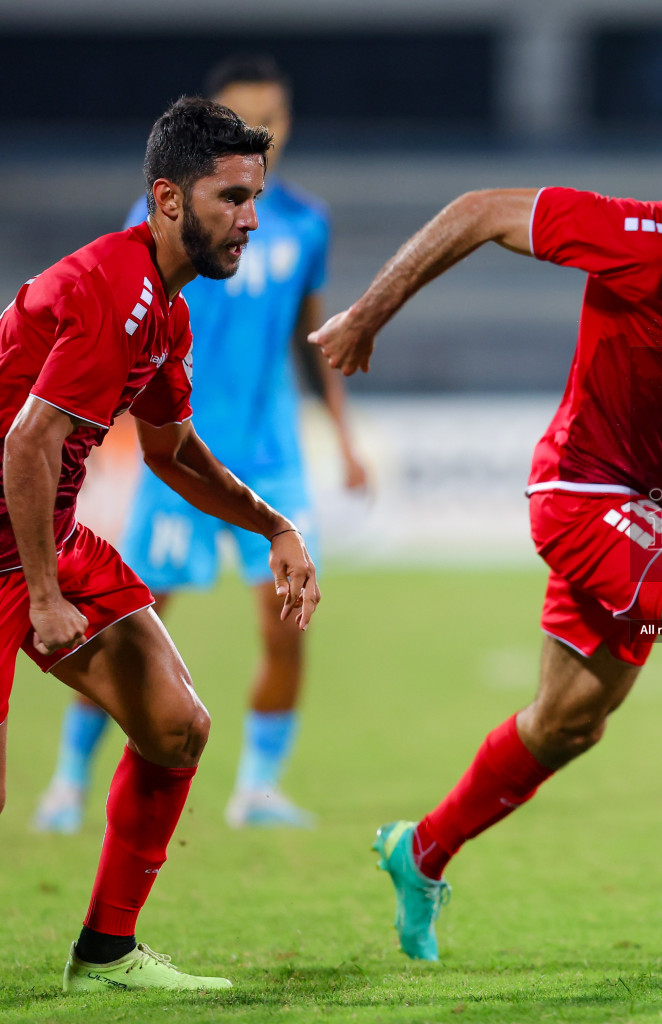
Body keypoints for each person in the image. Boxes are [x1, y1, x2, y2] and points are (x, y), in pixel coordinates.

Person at [309, 104, 662, 973]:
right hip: (586, 496)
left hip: (659, 519)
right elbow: (480, 209)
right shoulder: (653, 235)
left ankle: (422, 852)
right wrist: (368, 314)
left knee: (567, 721)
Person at [0, 96, 320, 992]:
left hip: (39, 536)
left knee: (176, 728)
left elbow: (171, 454)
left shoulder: (166, 312)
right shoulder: (113, 288)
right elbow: (27, 443)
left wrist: (277, 527)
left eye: (254, 198)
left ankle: (104, 954)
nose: (250, 220)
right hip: (23, 548)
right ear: (168, 200)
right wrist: (45, 592)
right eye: (230, 198)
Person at [32, 54, 364, 835]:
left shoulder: (304, 223)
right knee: (129, 630)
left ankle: (257, 788)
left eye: (277, 116)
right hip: (175, 451)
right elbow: (111, 337)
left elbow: (309, 338)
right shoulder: (160, 224)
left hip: (271, 454)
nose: (270, 131)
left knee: (288, 627)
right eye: (253, 116)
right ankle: (70, 779)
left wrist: (343, 437)